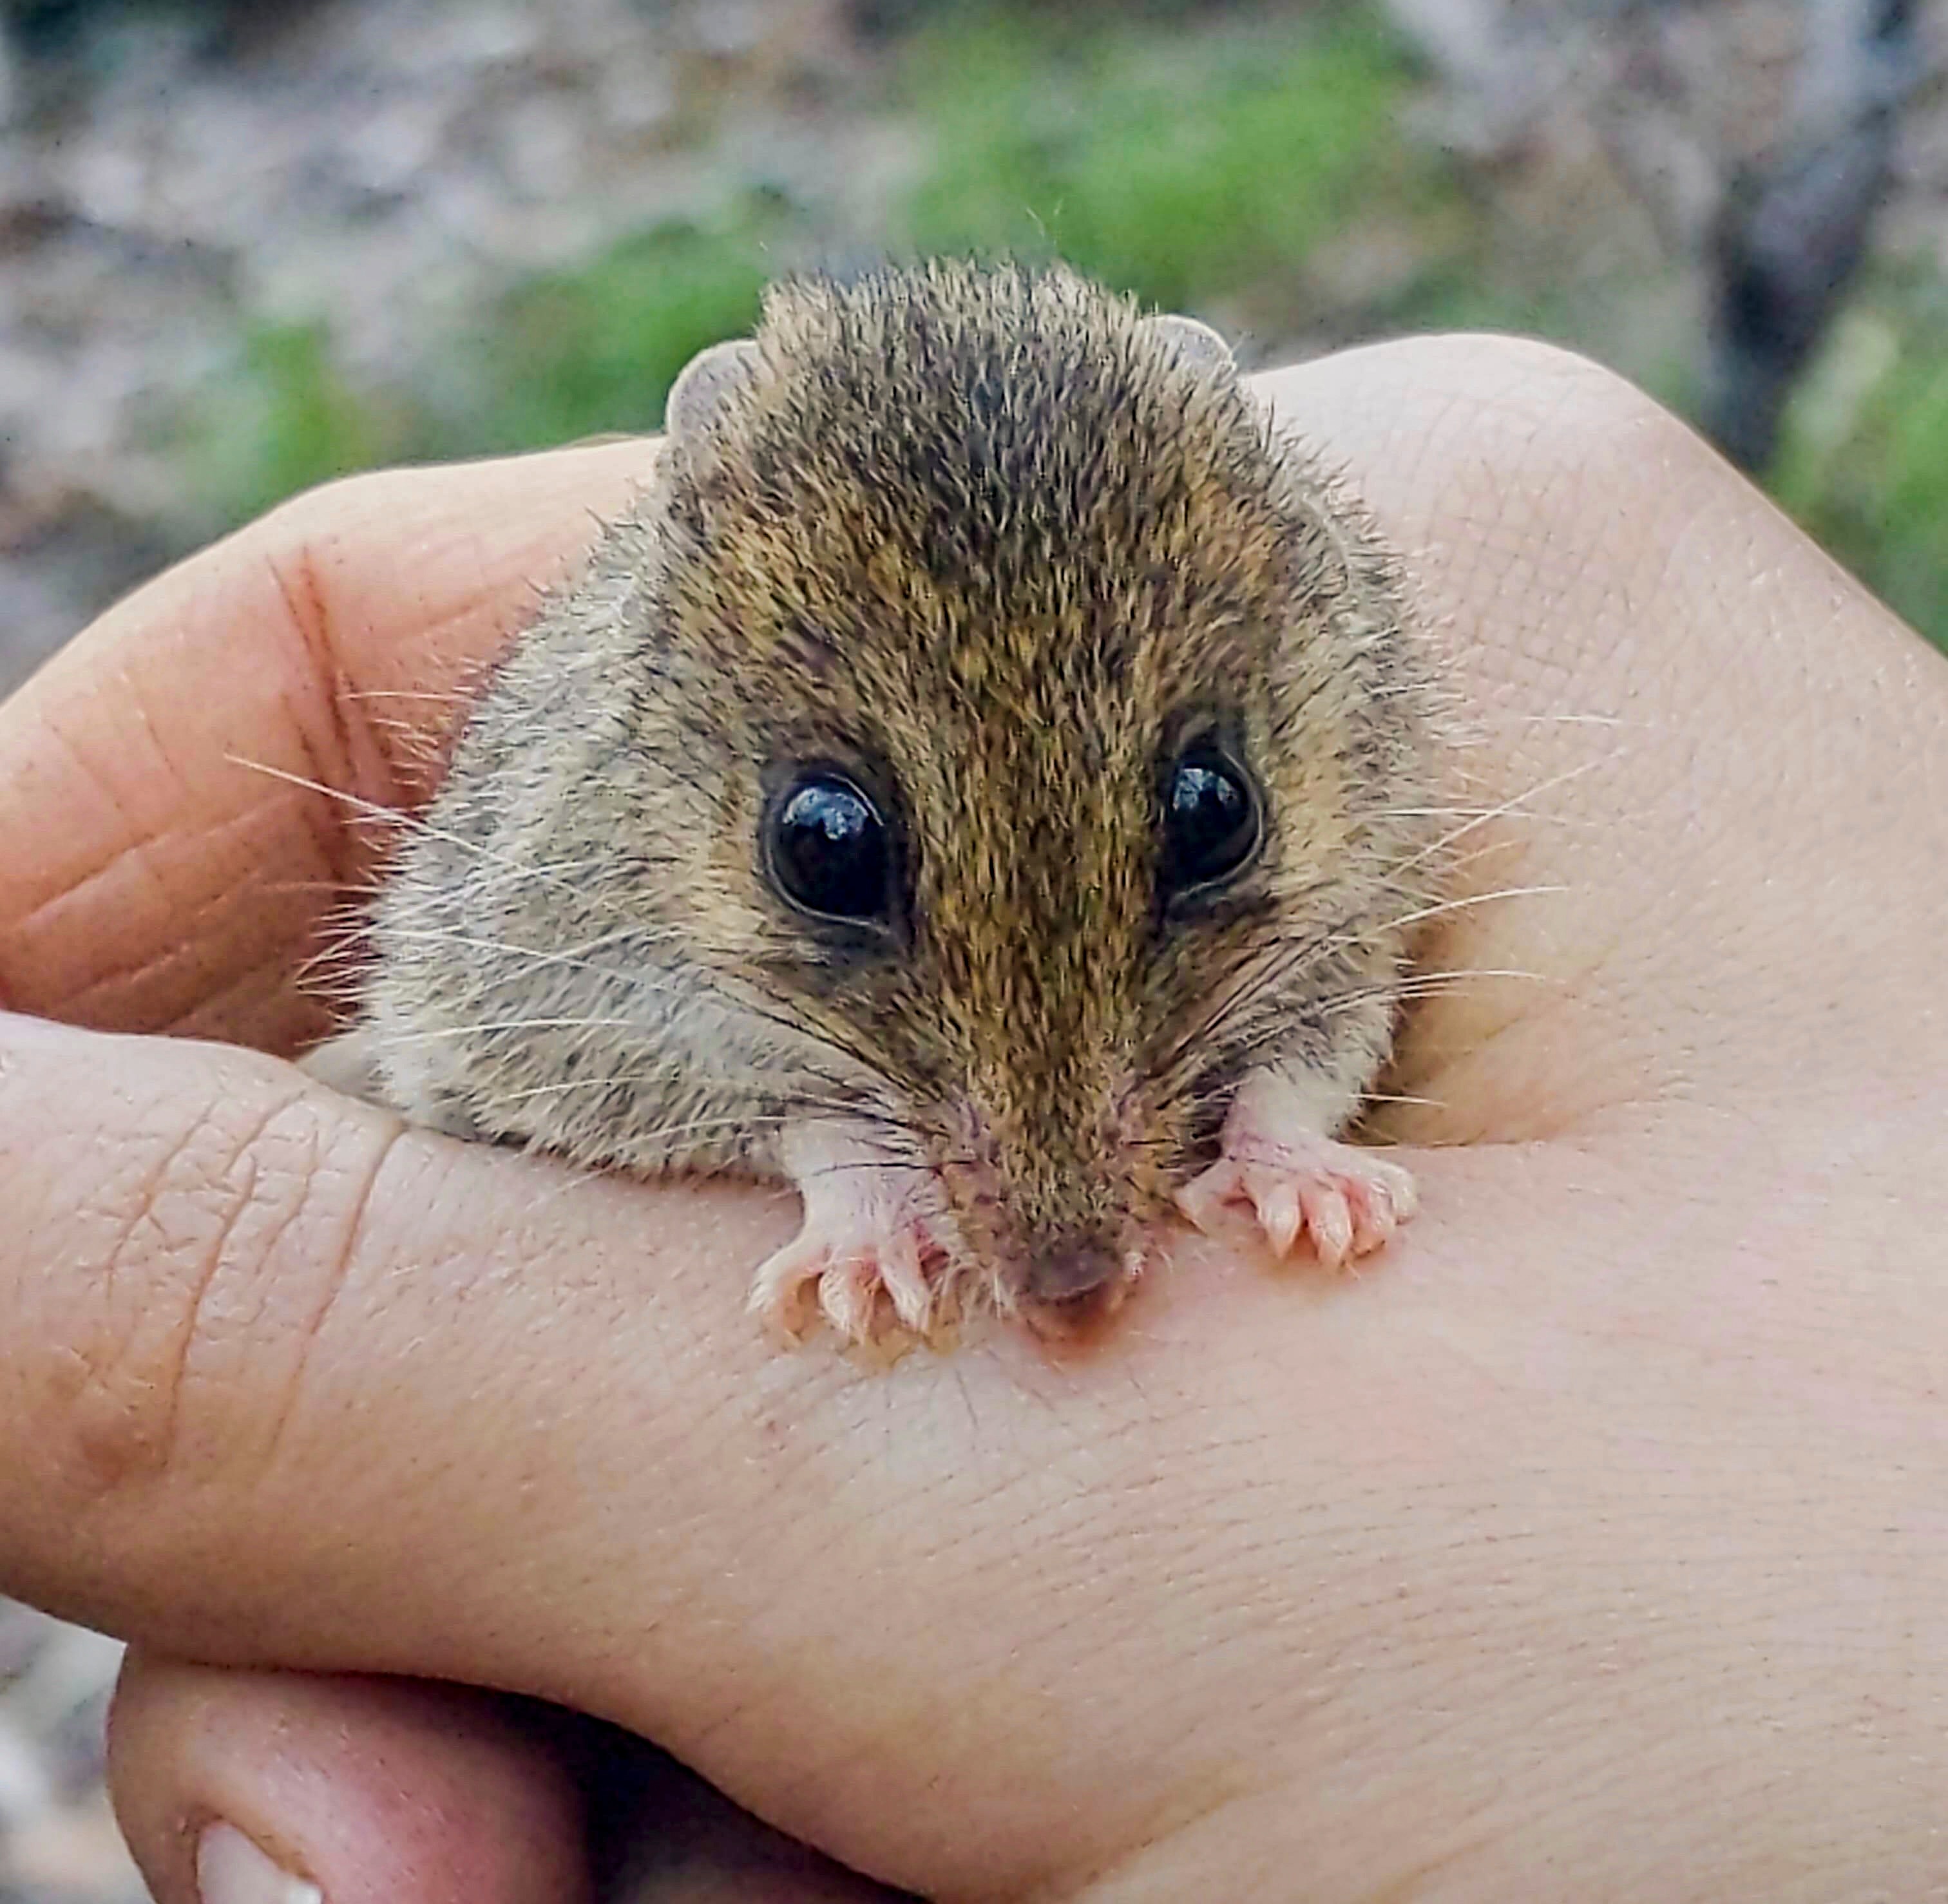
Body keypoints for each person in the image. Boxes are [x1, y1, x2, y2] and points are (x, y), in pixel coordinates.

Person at [1, 334, 1944, 1904]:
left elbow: (1348, 947)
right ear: (686, 689)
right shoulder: (599, 822)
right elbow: (498, 1048)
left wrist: (1278, 1113)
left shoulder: (1338, 696)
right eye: (834, 858)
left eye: (1201, 835)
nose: (1066, 1221)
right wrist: (826, 1148)